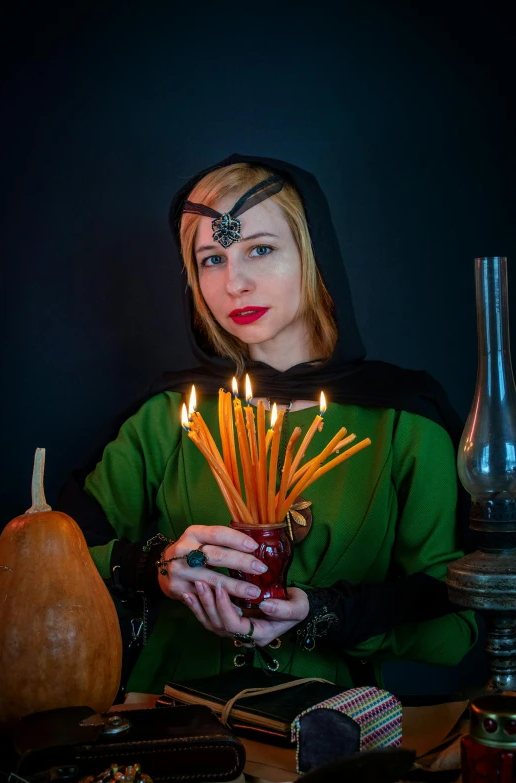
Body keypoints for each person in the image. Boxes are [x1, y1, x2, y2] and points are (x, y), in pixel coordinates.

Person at [57, 153, 477, 696]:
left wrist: (320, 613)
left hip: (331, 737)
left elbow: (454, 620)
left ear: (312, 252)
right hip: (172, 724)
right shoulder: (169, 415)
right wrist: (155, 567)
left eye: (260, 249)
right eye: (211, 259)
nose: (235, 283)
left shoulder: (402, 419)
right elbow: (59, 555)